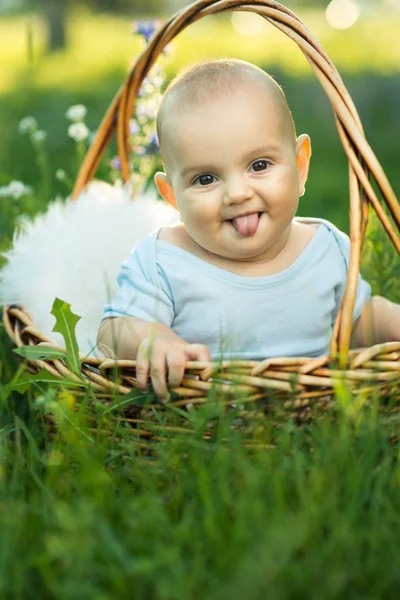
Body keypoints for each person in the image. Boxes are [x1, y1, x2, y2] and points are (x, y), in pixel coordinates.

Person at [97, 58, 400, 401]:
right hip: (198, 423)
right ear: (173, 197)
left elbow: (359, 321)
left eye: (259, 165)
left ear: (300, 166)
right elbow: (112, 330)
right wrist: (153, 340)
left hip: (311, 418)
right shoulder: (163, 261)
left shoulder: (326, 248)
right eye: (206, 179)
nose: (237, 193)